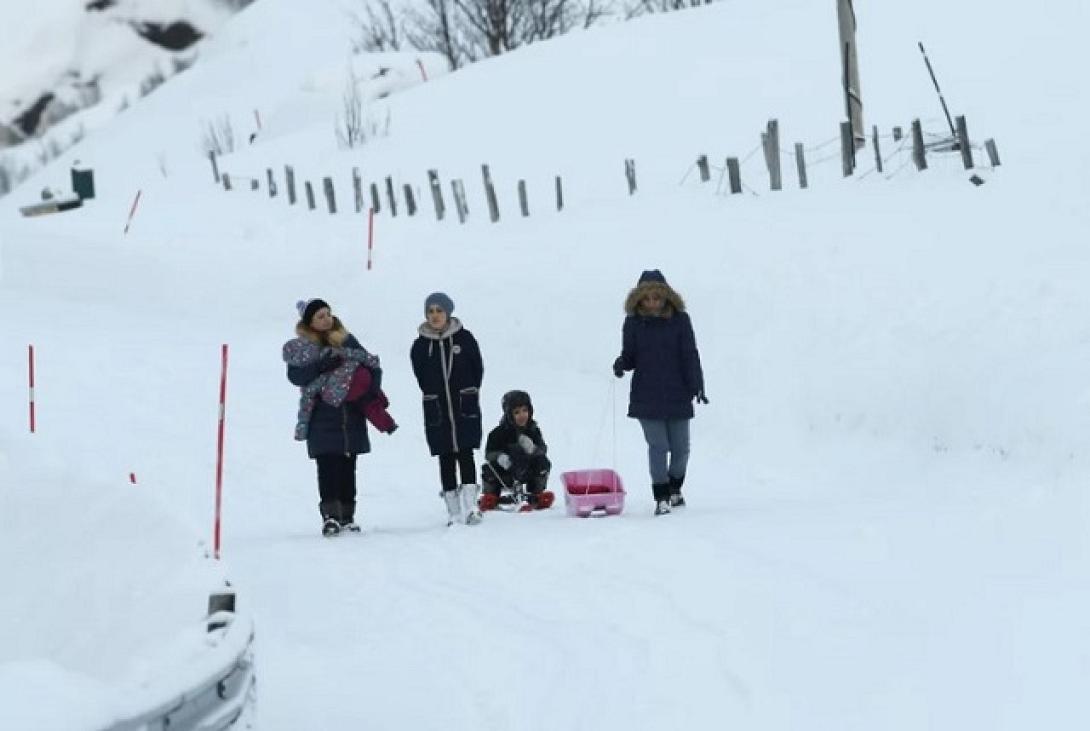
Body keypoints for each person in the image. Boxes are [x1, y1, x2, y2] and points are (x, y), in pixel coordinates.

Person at [612, 270, 707, 516]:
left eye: (657, 297)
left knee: (681, 448)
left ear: (666, 297)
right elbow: (631, 356)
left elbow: (689, 354)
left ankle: (675, 487)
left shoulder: (680, 320)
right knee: (658, 446)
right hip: (647, 394)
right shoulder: (633, 323)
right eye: (647, 298)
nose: (652, 303)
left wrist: (696, 383)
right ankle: (661, 494)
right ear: (639, 300)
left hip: (678, 392)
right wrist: (622, 363)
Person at [284, 298, 383, 536]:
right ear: (309, 322)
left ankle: (348, 515)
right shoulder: (303, 348)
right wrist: (320, 365)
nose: (326, 319)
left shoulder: (346, 340)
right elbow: (296, 376)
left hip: (350, 415)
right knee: (327, 465)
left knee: (348, 465)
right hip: (322, 416)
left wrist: (368, 390)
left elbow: (371, 366)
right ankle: (330, 516)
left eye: (328, 314)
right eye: (320, 316)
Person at [410, 292, 485, 526]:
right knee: (445, 457)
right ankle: (453, 509)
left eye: (439, 311)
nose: (435, 316)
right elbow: (420, 374)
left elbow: (477, 368)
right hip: (438, 408)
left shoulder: (464, 338)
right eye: (430, 311)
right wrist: (434, 393)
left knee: (466, 453)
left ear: (448, 312)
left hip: (464, 405)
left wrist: (468, 390)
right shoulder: (421, 345)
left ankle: (472, 505)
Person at [283, 327, 397, 440]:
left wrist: (301, 429)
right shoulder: (332, 347)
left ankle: (387, 421)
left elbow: (306, 402)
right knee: (368, 396)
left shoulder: (314, 379)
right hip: (359, 374)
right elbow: (359, 355)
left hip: (346, 391)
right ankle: (382, 404)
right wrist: (371, 363)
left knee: (365, 402)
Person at [479, 390, 555, 512]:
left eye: (525, 410)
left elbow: (542, 449)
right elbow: (489, 453)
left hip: (526, 469)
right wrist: (499, 457)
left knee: (543, 462)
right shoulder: (497, 433)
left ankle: (537, 493)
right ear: (509, 414)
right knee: (488, 468)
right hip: (505, 472)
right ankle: (491, 495)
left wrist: (533, 449)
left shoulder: (533, 430)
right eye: (517, 412)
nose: (522, 415)